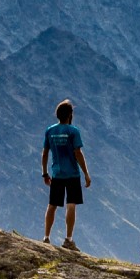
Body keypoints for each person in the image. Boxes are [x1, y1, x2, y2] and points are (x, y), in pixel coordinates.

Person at [42, 100, 91, 249]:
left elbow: (45, 153)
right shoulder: (73, 131)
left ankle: (46, 237)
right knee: (71, 205)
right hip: (72, 174)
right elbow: (78, 153)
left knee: (52, 205)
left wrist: (44, 173)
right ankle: (68, 239)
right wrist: (86, 174)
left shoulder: (50, 131)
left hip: (57, 173)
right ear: (70, 115)